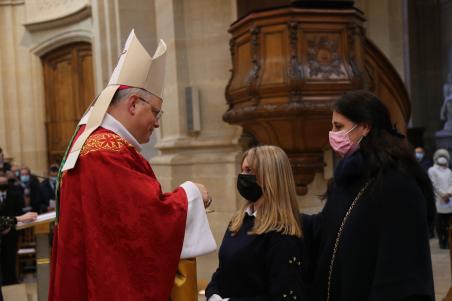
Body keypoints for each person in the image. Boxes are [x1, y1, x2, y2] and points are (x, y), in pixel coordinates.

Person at [49, 30, 216, 301]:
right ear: (134, 104)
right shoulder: (106, 152)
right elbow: (143, 222)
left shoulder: (95, 142)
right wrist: (192, 193)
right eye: (156, 111)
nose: (158, 122)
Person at [303, 90, 434, 300]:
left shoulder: (397, 183)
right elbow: (327, 227)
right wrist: (283, 217)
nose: (332, 134)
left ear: (364, 126)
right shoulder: (349, 179)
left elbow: (402, 274)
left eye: (338, 126)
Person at [205, 145, 304, 301]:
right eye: (242, 170)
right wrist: (213, 293)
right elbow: (224, 269)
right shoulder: (238, 221)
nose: (243, 176)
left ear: (270, 177)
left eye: (249, 171)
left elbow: (284, 296)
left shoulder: (281, 232)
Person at [0, 176, 25, 285]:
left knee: (10, 258)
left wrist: (10, 226)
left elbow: (19, 211)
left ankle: (11, 280)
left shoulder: (15, 194)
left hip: (12, 232)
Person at [428, 149, 452, 249]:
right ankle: (441, 240)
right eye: (440, 156)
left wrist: (449, 193)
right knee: (439, 221)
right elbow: (433, 184)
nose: (442, 158)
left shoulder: (449, 170)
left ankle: (447, 239)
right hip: (438, 199)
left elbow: (451, 183)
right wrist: (442, 195)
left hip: (449, 199)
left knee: (448, 221)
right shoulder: (432, 170)